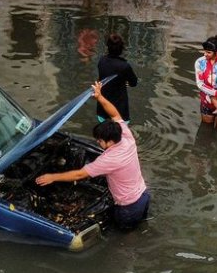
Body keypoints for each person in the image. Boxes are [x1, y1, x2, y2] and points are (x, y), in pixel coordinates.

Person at [36, 81, 150, 230]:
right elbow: (115, 114)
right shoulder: (126, 136)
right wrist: (99, 97)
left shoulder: (109, 160)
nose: (97, 142)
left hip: (129, 207)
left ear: (110, 141)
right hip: (143, 195)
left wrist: (52, 177)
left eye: (100, 140)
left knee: (126, 234)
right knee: (142, 224)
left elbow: (79, 175)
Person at [97, 33, 138, 122]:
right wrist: (126, 82)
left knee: (103, 128)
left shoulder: (101, 61)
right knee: (120, 129)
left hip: (103, 109)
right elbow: (134, 83)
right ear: (121, 49)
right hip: (119, 111)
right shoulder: (125, 66)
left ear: (107, 47)